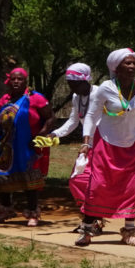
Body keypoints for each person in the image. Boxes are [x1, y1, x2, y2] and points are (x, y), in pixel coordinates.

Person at [76, 48, 135, 247]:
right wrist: (86, 142)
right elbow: (91, 116)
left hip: (131, 145)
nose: (132, 67)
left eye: (134, 63)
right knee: (97, 186)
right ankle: (87, 231)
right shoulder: (105, 88)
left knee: (131, 189)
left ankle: (129, 232)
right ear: (116, 68)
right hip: (106, 144)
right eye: (128, 63)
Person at [0, 67, 54, 226]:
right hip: (7, 145)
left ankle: (33, 212)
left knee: (29, 177)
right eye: (13, 79)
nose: (16, 81)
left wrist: (41, 135)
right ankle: (6, 209)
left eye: (20, 79)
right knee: (2, 176)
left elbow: (51, 118)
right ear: (9, 81)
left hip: (28, 145)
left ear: (26, 82)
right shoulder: (5, 99)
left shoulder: (35, 98)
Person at [47, 63, 105, 232]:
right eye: (69, 83)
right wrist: (55, 134)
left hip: (103, 145)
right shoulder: (76, 97)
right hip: (88, 146)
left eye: (75, 83)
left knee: (90, 182)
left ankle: (93, 220)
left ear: (85, 80)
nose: (71, 86)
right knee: (76, 181)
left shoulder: (100, 93)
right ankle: (92, 217)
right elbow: (73, 120)